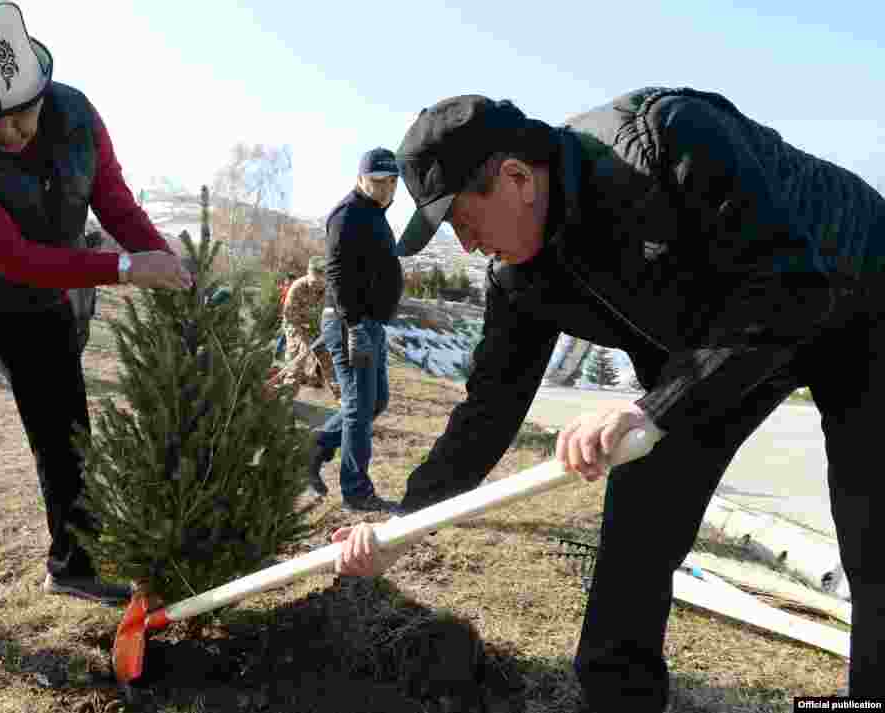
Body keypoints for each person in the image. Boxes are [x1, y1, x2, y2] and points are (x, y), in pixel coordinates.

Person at [332, 90, 885, 710]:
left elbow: (790, 288)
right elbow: (489, 407)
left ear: (516, 179)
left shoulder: (665, 142)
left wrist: (653, 407)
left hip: (855, 294)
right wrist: (410, 521)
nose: (465, 246)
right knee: (638, 519)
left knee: (872, 538)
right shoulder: (518, 276)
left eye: (462, 221)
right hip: (720, 345)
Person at [0, 0, 191, 668]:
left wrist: (169, 265)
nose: (6, 133)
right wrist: (123, 268)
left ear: (43, 86)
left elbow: (113, 200)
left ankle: (76, 562)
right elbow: (7, 254)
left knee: (66, 433)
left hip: (44, 293)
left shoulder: (78, 116)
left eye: (21, 115)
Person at [310, 148, 404, 511]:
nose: (385, 189)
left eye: (391, 182)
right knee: (359, 406)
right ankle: (356, 491)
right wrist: (353, 326)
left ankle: (316, 446)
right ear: (361, 178)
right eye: (377, 182)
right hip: (351, 323)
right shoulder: (348, 214)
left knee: (374, 401)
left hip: (371, 323)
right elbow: (335, 274)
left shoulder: (373, 213)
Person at [266, 256, 341, 400]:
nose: (316, 284)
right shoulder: (297, 287)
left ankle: (343, 398)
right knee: (297, 363)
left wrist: (327, 330)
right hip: (295, 327)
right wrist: (305, 339)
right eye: (314, 280)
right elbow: (289, 316)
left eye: (320, 280)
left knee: (329, 361)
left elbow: (335, 313)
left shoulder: (329, 290)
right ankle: (285, 400)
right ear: (309, 273)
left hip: (319, 330)